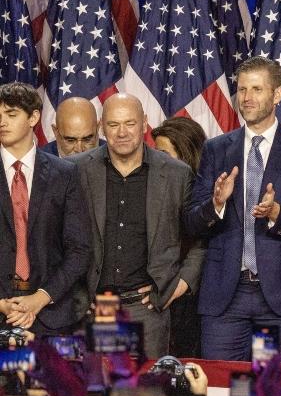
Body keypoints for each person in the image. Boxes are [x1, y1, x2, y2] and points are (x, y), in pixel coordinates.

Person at [184, 56, 281, 361]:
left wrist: (277, 215)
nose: (246, 98)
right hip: (226, 299)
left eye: (256, 89)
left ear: (277, 95)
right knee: (225, 393)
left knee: (269, 392)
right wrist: (216, 204)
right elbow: (191, 222)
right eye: (242, 89)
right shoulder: (216, 149)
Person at [71, 94, 204, 359]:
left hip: (146, 310)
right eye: (113, 124)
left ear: (144, 124)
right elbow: (58, 238)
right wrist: (76, 294)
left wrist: (181, 283)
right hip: (92, 305)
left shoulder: (177, 174)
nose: (122, 132)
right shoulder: (75, 170)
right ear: (101, 127)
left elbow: (200, 240)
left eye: (130, 123)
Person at [0, 82, 91, 334]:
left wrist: (40, 298)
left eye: (11, 114)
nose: (2, 122)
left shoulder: (64, 173)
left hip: (52, 315)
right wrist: (3, 304)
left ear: (34, 117)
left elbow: (79, 249)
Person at [151, 116, 206, 357]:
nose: (156, 161)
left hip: (189, 297)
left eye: (163, 154)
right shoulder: (152, 186)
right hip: (156, 295)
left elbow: (200, 243)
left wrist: (180, 286)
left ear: (186, 155)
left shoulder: (200, 195)